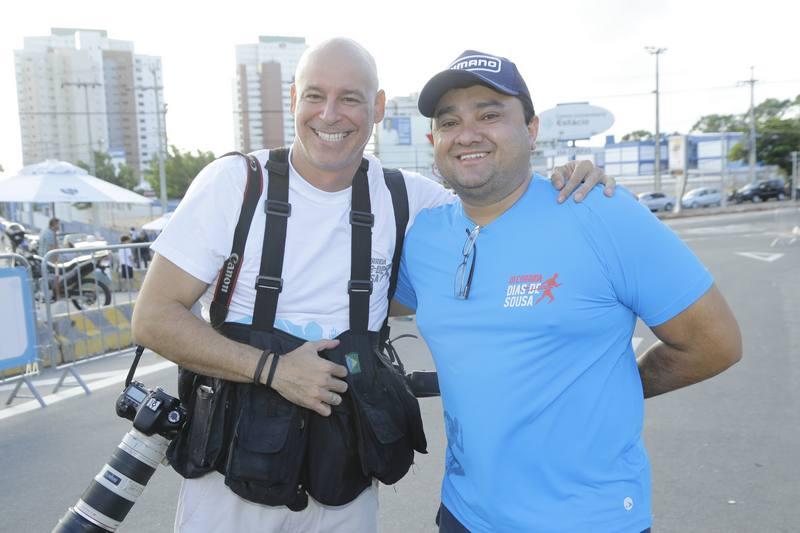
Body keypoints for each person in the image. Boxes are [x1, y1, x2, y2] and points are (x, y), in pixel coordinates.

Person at [131, 38, 613, 533]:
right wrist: (273, 370)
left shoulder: (410, 199)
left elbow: (502, 206)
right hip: (232, 480)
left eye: (350, 98)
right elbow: (153, 318)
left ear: (378, 107)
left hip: (344, 479)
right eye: (315, 95)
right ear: (294, 98)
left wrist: (564, 181)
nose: (330, 114)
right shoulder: (236, 183)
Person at [393, 50, 743, 533]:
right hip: (464, 513)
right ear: (434, 141)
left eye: (489, 115)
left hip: (588, 519)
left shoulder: (599, 211)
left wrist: (619, 390)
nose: (467, 133)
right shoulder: (425, 236)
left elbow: (715, 343)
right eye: (449, 122)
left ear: (532, 129)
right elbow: (369, 307)